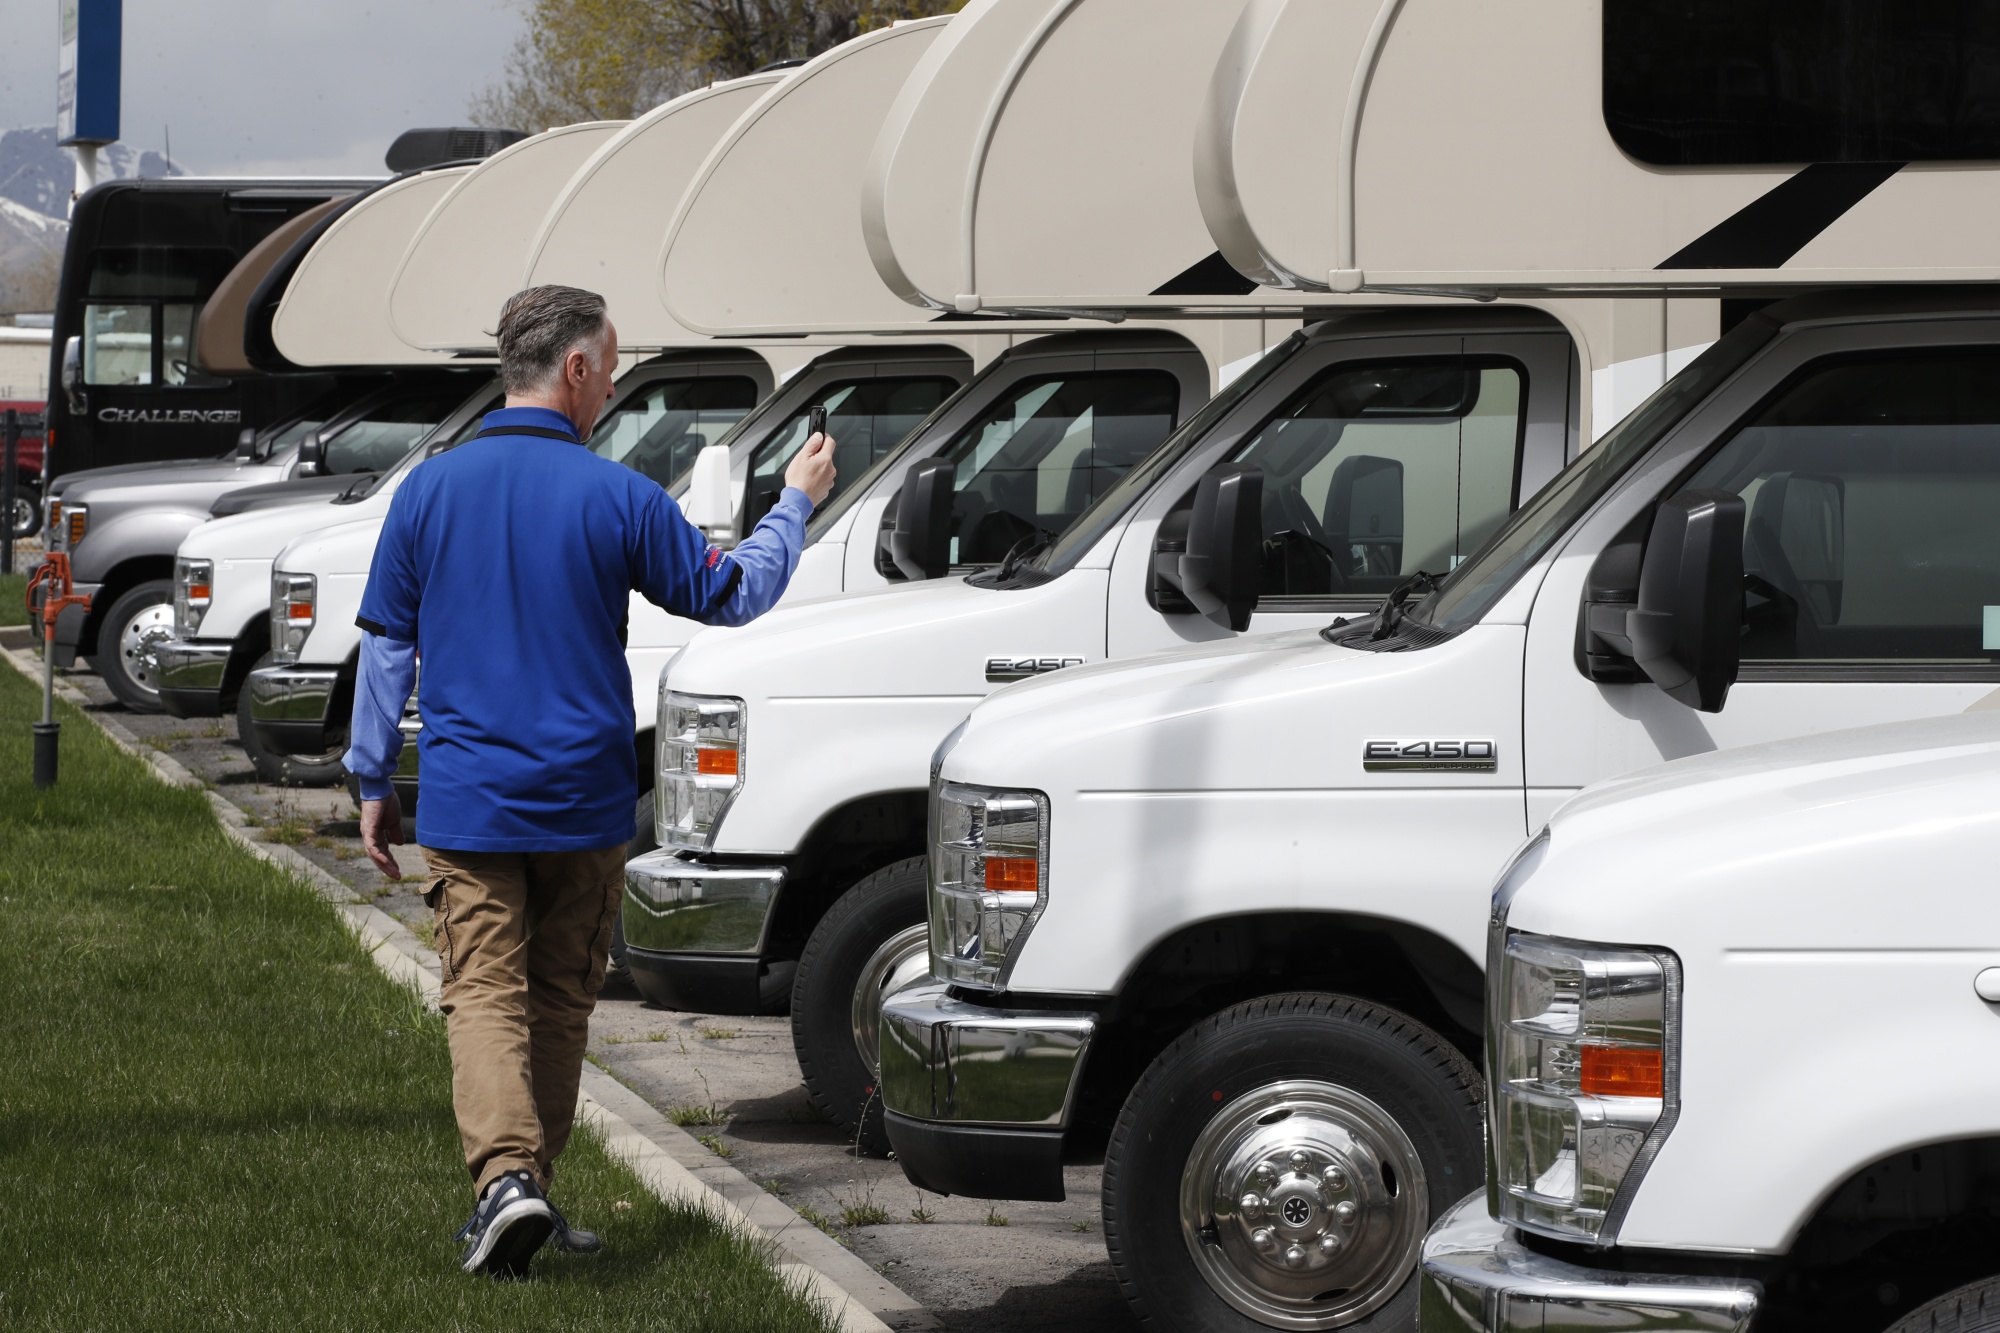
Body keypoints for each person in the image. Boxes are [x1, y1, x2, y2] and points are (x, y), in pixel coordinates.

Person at [342, 285, 835, 1276]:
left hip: (471, 800)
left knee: (482, 994)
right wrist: (797, 502)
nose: (609, 389)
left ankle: (507, 1187)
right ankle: (524, 1191)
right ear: (572, 369)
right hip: (585, 800)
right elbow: (729, 595)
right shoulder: (621, 497)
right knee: (560, 1002)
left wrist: (368, 777)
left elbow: (389, 647)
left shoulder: (428, 491)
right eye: (608, 370)